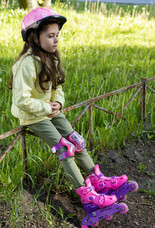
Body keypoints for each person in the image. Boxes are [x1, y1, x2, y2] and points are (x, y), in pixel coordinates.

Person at [10, 7, 128, 211]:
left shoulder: (51, 57)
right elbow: (21, 100)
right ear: (34, 37)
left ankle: (97, 179)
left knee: (76, 140)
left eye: (57, 35)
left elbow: (58, 87)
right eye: (50, 36)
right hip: (32, 116)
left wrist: (58, 104)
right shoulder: (26, 64)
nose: (56, 40)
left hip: (49, 111)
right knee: (64, 148)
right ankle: (86, 195)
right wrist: (46, 107)